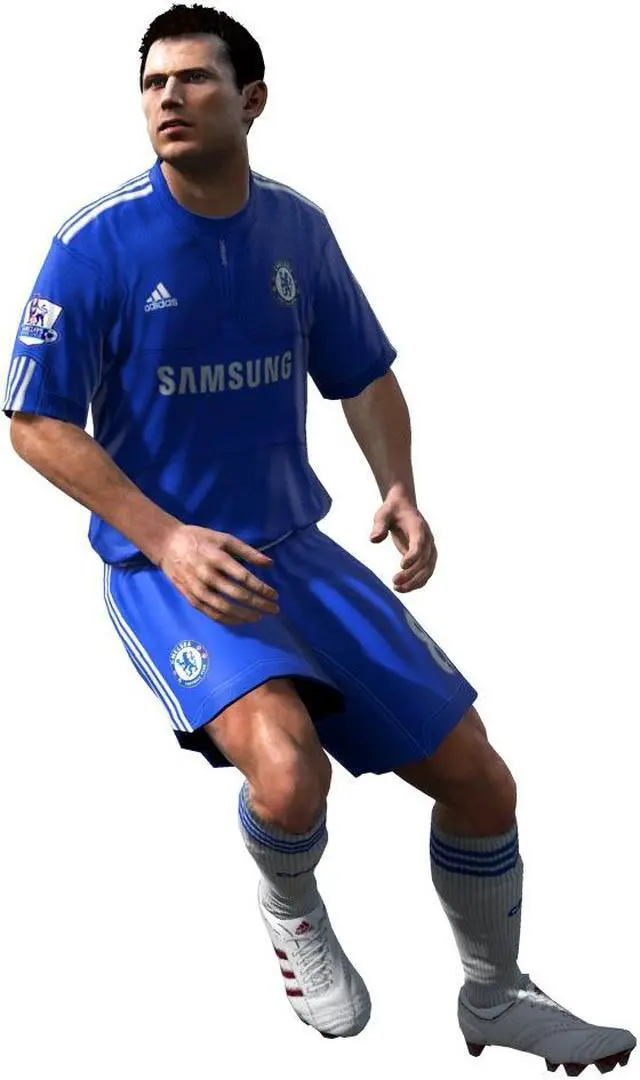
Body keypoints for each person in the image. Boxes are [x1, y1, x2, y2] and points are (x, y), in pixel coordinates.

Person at [4, 4, 635, 1072]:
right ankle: (291, 908)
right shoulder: (93, 244)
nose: (168, 97)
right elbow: (34, 422)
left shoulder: (297, 230)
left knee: (483, 781)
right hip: (169, 566)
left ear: (251, 100)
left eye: (195, 79)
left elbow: (363, 373)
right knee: (291, 773)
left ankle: (493, 996)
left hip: (296, 548)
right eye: (153, 82)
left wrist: (399, 486)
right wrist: (166, 537)